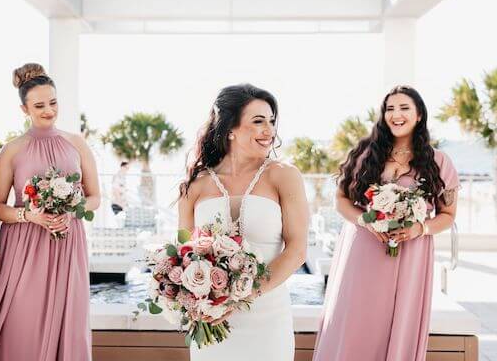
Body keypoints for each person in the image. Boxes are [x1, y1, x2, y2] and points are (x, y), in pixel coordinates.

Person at [313, 86, 460, 361]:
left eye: (404, 108)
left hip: (411, 254)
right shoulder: (366, 154)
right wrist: (365, 222)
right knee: (356, 318)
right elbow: (341, 199)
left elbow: (448, 215)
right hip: (364, 248)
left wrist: (420, 228)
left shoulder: (440, 162)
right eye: (390, 109)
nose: (396, 114)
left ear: (419, 115)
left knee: (398, 320)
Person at [0, 63, 100, 361]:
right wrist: (29, 216)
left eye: (53, 102)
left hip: (68, 245)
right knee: (23, 323)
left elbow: (95, 197)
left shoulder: (76, 144)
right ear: (24, 108)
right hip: (25, 248)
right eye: (39, 105)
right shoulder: (13, 150)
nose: (48, 110)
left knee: (70, 323)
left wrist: (72, 211)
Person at [178, 83, 309, 361]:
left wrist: (238, 299)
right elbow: (185, 254)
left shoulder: (284, 175)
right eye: (258, 121)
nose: (269, 130)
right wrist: (199, 301)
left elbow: (297, 251)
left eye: (271, 121)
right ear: (230, 129)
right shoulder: (194, 185)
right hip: (213, 323)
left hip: (268, 317)